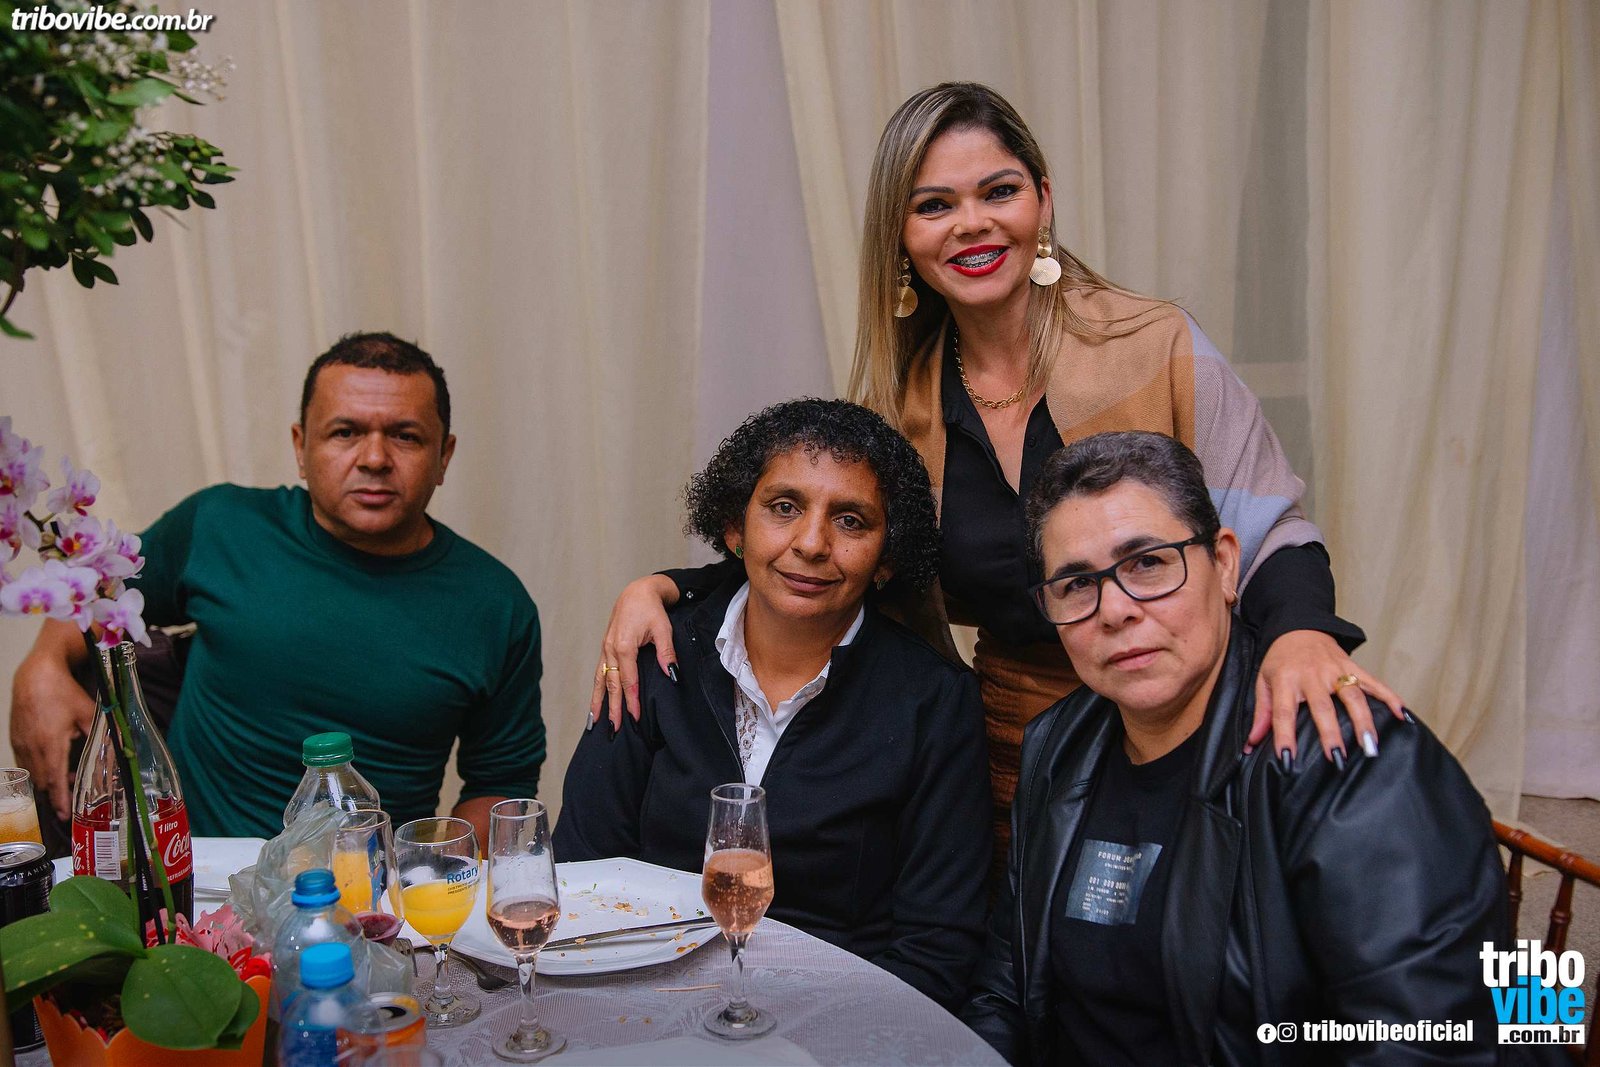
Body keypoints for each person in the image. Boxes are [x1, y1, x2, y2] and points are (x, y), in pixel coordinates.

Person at [591, 82, 1402, 867]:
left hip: (1197, 721)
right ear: (901, 236)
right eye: (934, 204)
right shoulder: (899, 409)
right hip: (1016, 751)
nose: (971, 223)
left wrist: (1302, 634)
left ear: (1043, 200)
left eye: (999, 191)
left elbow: (1268, 527)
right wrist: (667, 589)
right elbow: (832, 562)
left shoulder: (1156, 345)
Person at [961, 431, 1514, 1065]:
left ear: (1225, 565)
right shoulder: (1057, 746)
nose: (1113, 610)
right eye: (1077, 584)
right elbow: (1005, 991)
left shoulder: (1349, 760)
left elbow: (1428, 1045)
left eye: (1148, 563)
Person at [10, 332, 544, 844]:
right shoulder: (220, 525)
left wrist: (429, 876)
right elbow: (98, 592)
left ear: (444, 456)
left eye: (405, 436)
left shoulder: (495, 604)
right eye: (345, 432)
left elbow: (499, 784)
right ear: (300, 447)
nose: (375, 459)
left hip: (366, 888)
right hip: (193, 877)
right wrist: (42, 665)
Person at [555, 398, 991, 1011]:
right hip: (644, 1002)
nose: (811, 543)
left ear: (887, 558)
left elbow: (936, 950)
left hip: (835, 1020)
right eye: (784, 508)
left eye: (851, 521)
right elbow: (581, 870)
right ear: (735, 528)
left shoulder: (935, 702)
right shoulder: (653, 653)